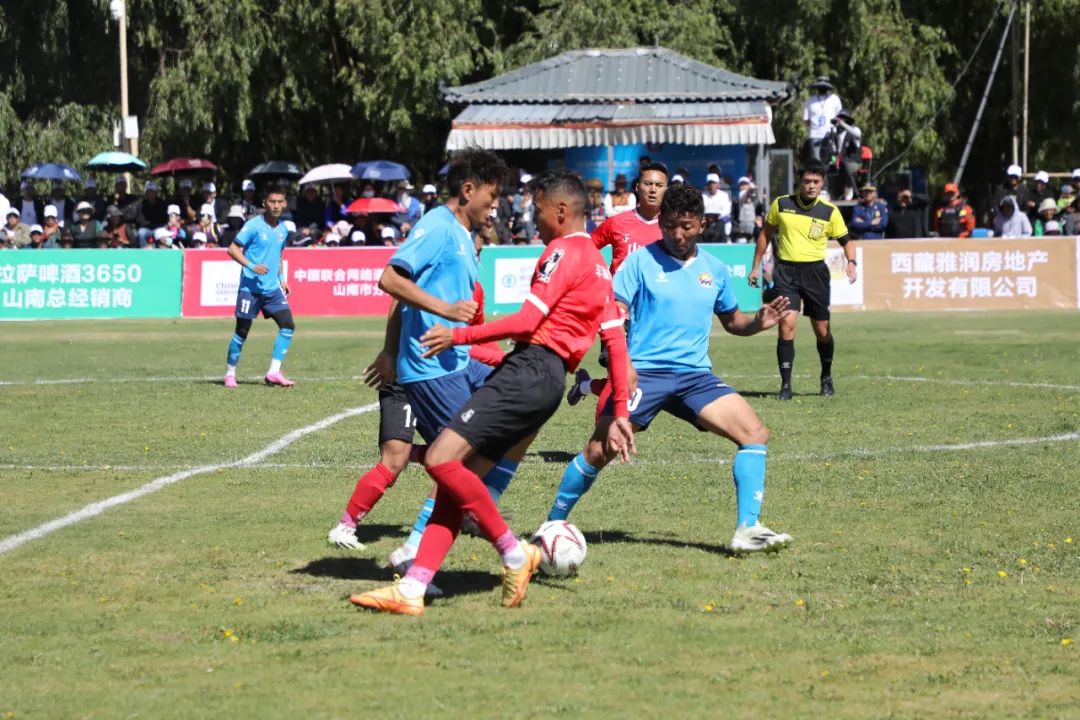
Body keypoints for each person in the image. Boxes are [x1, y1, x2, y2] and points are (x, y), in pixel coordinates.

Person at [350, 170, 634, 615]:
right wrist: (620, 413)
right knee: (455, 483)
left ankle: (515, 553)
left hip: (528, 369)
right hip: (549, 383)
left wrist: (459, 335)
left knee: (441, 458)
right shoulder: (601, 269)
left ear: (561, 210)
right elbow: (615, 345)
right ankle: (413, 588)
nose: (533, 219)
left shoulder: (564, 251)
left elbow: (526, 323)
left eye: (538, 209)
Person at [550, 183, 794, 552]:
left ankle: (748, 529)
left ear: (702, 224)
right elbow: (613, 315)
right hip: (644, 374)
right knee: (599, 451)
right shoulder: (639, 262)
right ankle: (552, 525)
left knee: (754, 433)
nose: (677, 235)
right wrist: (623, 364)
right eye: (669, 226)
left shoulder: (714, 269)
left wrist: (757, 323)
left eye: (686, 226)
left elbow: (733, 321)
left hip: (695, 376)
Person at [749, 159, 855, 400]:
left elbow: (847, 241)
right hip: (786, 272)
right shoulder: (781, 204)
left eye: (816, 181)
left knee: (822, 331)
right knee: (786, 325)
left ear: (822, 183)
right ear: (800, 182)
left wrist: (851, 262)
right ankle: (786, 385)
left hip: (815, 274)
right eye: (807, 181)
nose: (811, 185)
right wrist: (755, 267)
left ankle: (826, 376)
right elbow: (765, 235)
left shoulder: (829, 211)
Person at [223, 186, 296, 388]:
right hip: (250, 289)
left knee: (288, 325)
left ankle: (273, 372)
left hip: (272, 290)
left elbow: (278, 256)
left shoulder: (283, 229)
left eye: (280, 202)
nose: (276, 206)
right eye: (272, 202)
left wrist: (282, 279)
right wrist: (251, 265)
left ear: (285, 204)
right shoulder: (253, 225)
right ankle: (230, 373)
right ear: (264, 203)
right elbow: (232, 249)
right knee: (242, 332)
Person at [592, 161, 668, 274]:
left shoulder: (672, 226)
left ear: (666, 190)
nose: (653, 190)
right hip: (618, 286)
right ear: (637, 187)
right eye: (648, 184)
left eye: (659, 185)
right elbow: (586, 248)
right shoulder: (616, 222)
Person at [803, 76, 842, 162]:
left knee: (830, 161)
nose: (822, 88)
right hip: (814, 135)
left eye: (824, 86)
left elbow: (840, 117)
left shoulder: (835, 99)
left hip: (830, 135)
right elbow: (806, 120)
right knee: (816, 161)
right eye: (820, 86)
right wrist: (815, 127)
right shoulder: (810, 101)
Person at [827, 109, 863, 199]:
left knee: (847, 166)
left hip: (854, 162)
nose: (840, 121)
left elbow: (857, 134)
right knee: (829, 167)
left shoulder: (854, 130)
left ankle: (850, 189)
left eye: (843, 118)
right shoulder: (835, 134)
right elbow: (834, 153)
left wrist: (842, 124)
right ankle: (833, 194)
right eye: (839, 118)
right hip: (841, 163)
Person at [135, 181, 167, 247]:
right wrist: (150, 223)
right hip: (146, 228)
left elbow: (164, 219)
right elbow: (140, 220)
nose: (150, 194)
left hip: (159, 228)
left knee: (164, 233)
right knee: (141, 233)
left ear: (155, 193)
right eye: (148, 191)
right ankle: (144, 251)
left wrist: (156, 223)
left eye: (152, 191)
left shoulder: (161, 203)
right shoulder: (141, 204)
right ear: (146, 193)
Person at [702, 172, 732, 242]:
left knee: (721, 226)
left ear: (718, 184)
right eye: (709, 183)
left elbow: (726, 210)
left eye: (713, 183)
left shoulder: (724, 195)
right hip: (706, 221)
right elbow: (702, 209)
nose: (711, 185)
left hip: (720, 220)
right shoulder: (703, 196)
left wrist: (717, 217)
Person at [732, 177, 763, 243]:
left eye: (745, 184)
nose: (743, 186)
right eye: (741, 184)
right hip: (740, 225)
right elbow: (733, 217)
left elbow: (759, 212)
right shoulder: (735, 200)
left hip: (752, 225)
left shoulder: (755, 200)